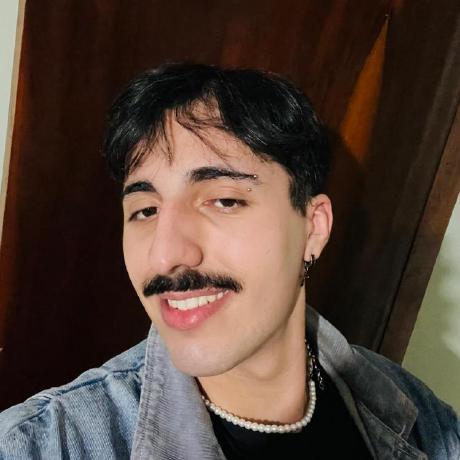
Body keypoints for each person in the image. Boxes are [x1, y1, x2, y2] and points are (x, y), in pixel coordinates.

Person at [0, 63, 458, 459]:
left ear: (313, 228)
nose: (165, 255)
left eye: (223, 200)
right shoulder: (42, 444)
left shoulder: (414, 412)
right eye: (145, 210)